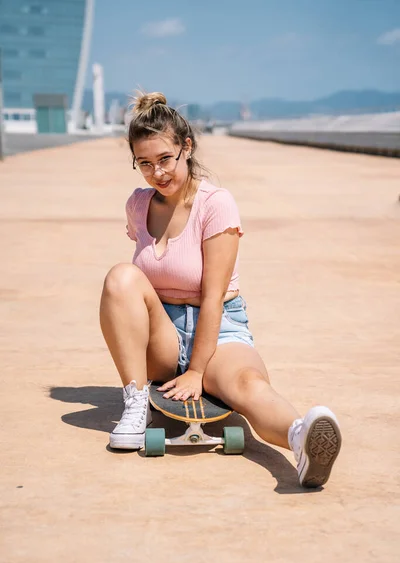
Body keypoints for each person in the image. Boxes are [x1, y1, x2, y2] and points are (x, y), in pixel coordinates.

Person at [99, 91, 342, 488]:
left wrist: (197, 369)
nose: (157, 173)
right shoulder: (137, 205)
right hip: (160, 332)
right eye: (144, 164)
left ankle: (301, 439)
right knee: (120, 277)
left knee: (247, 387)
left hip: (218, 328)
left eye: (165, 159)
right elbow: (137, 284)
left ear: (186, 148)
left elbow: (212, 296)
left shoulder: (216, 203)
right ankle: (135, 403)